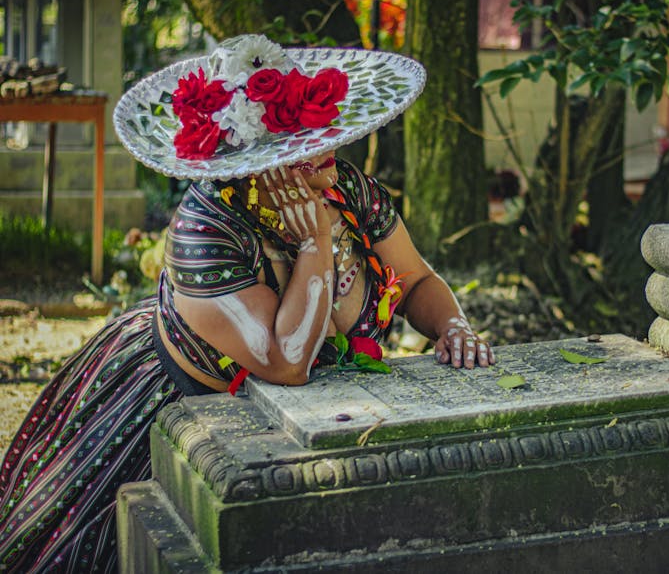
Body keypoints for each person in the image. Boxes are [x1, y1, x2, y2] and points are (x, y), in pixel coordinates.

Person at [0, 34, 492, 572]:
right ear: (249, 162)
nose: (324, 158)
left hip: (316, 423)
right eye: (298, 152)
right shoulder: (205, 232)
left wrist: (452, 326)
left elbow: (417, 280)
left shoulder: (347, 189)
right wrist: (313, 247)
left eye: (323, 140)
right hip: (181, 405)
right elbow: (286, 362)